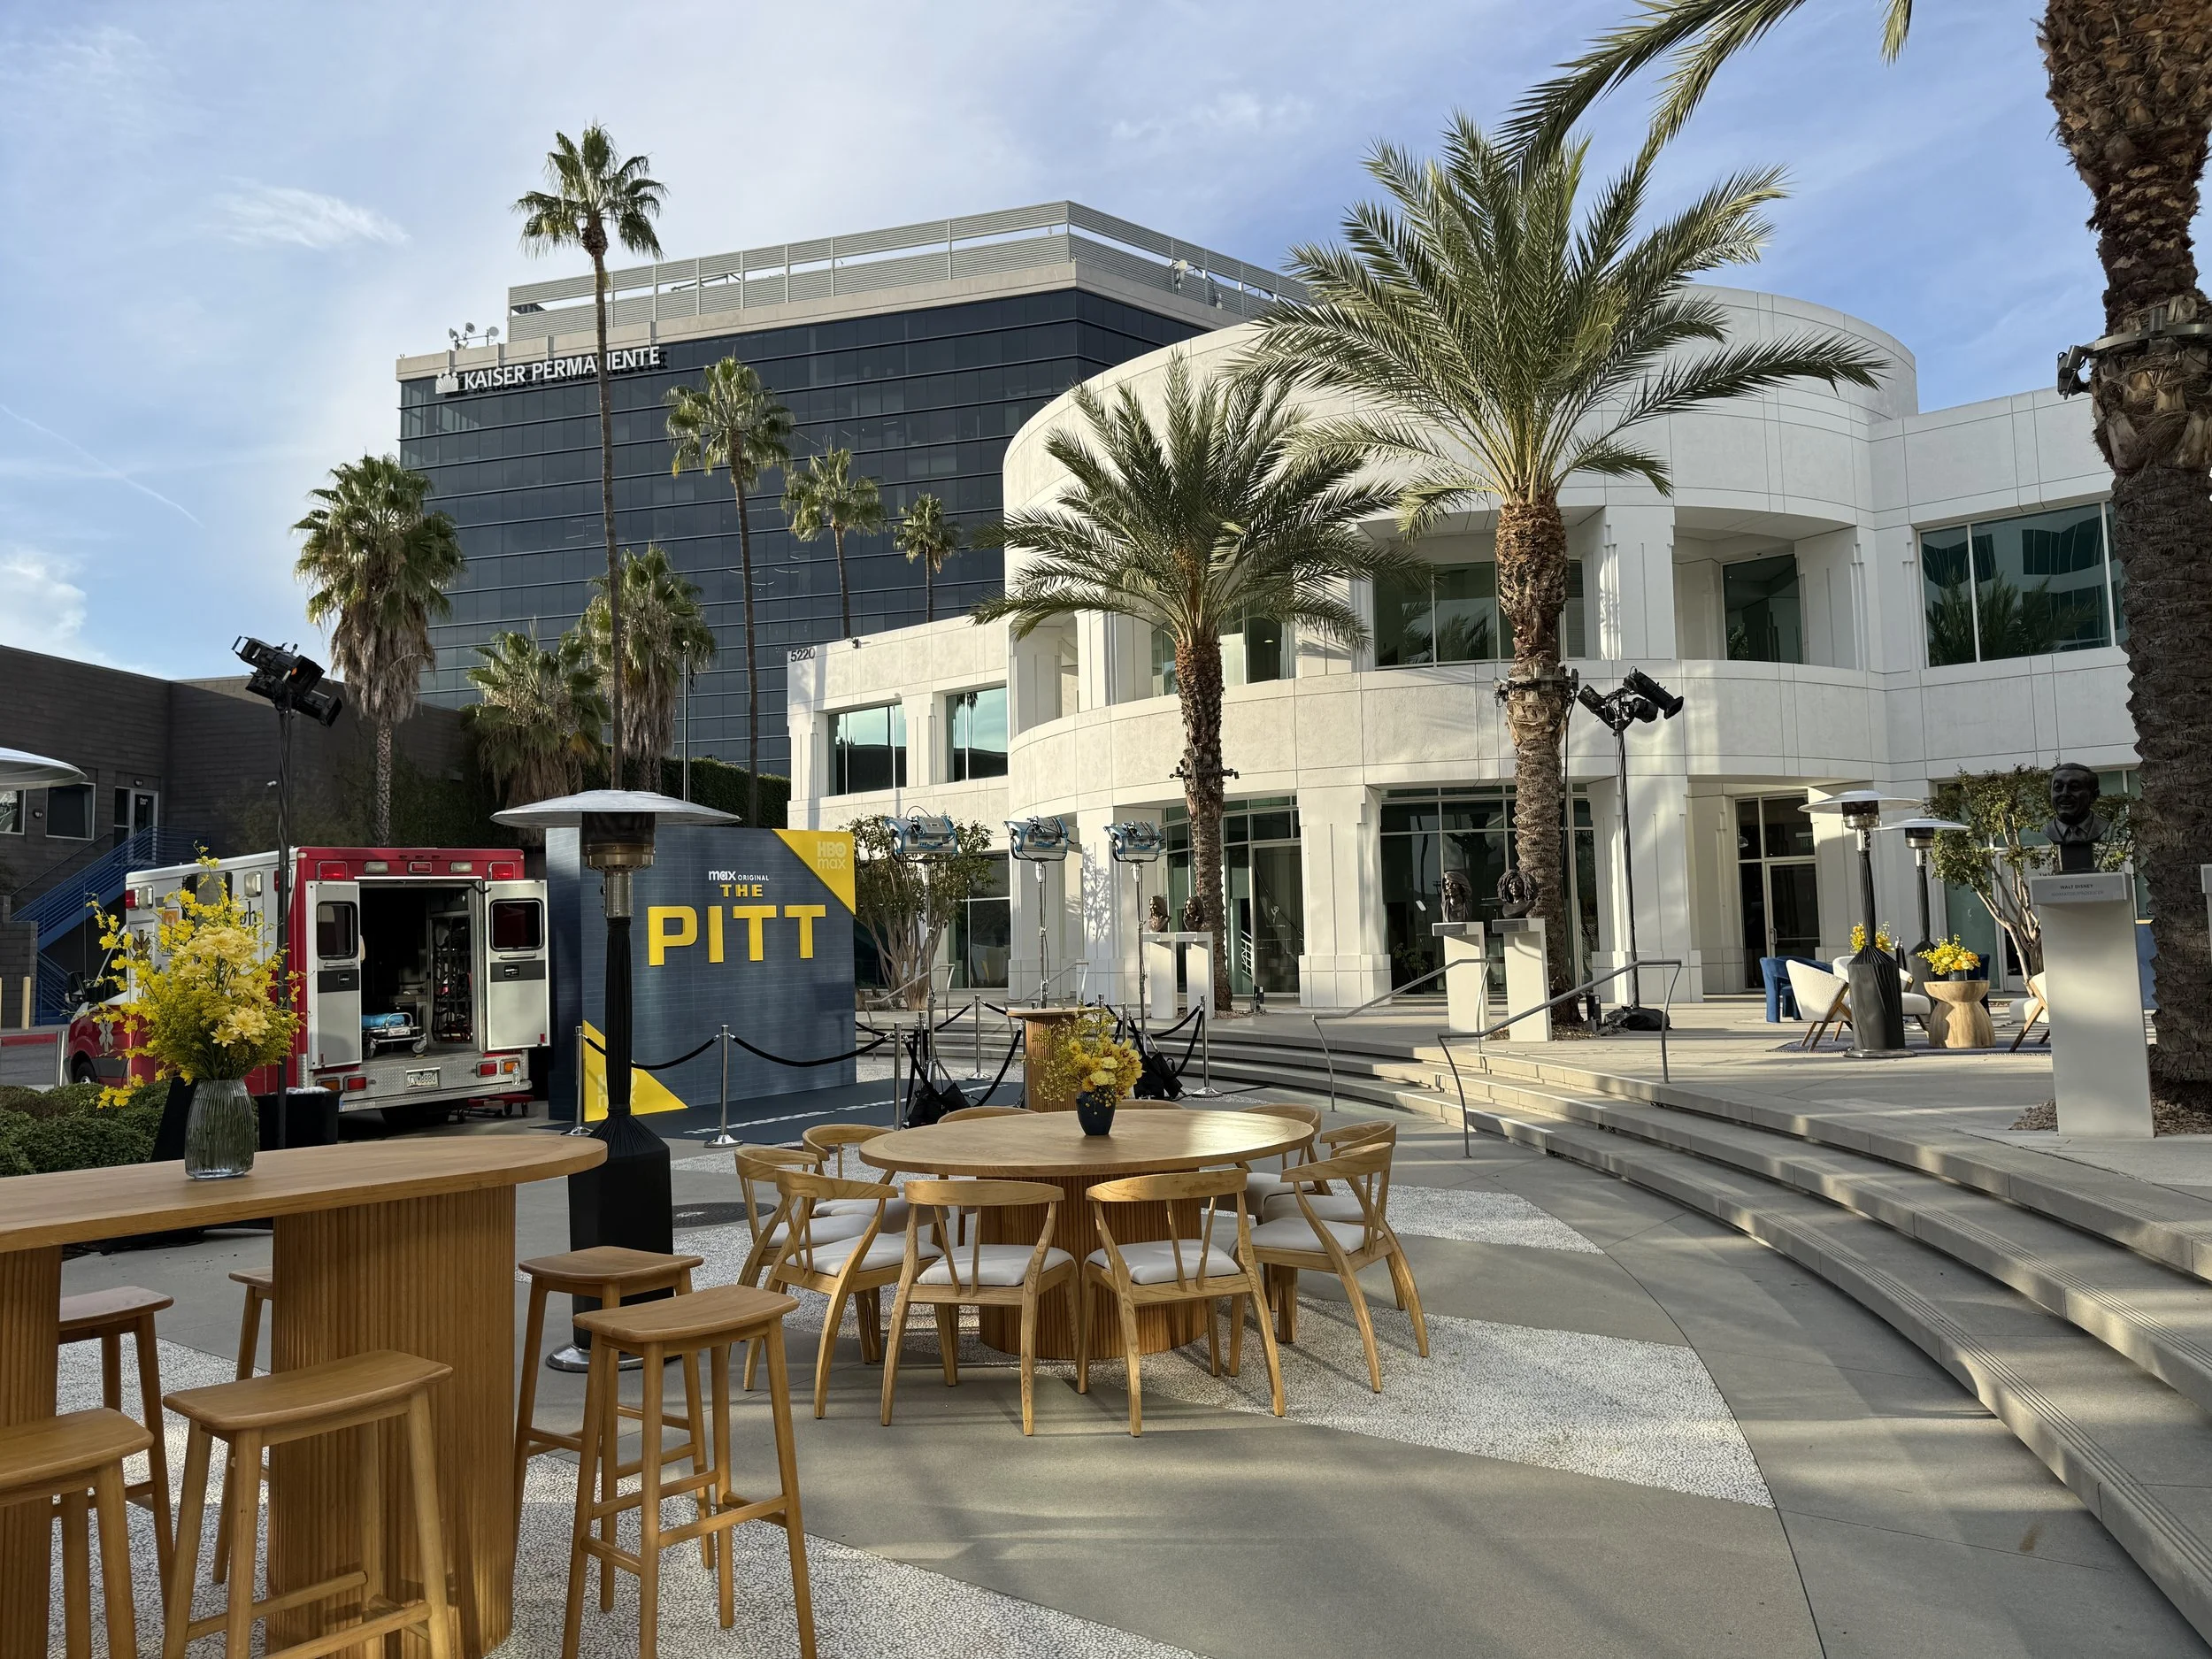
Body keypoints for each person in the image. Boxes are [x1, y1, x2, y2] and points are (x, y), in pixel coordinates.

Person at [2045, 761, 2108, 875]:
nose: (2064, 793)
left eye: (2074, 788)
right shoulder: (2049, 831)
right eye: (2058, 788)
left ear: (2094, 796)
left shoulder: (2101, 827)